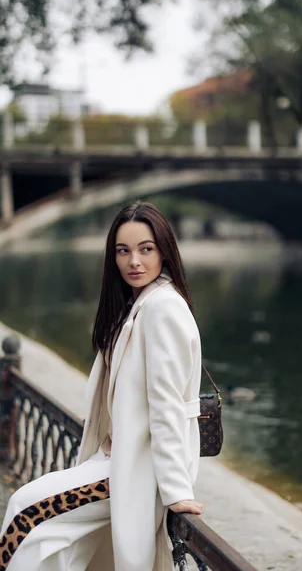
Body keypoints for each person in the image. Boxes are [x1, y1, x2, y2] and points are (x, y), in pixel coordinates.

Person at [0, 202, 203, 571]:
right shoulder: (140, 303)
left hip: (137, 468)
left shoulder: (162, 309)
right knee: (36, 522)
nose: (133, 262)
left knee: (25, 513)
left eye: (146, 249)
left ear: (164, 251)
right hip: (116, 458)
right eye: (123, 251)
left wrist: (175, 491)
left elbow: (167, 404)